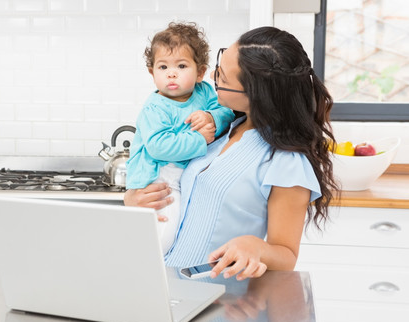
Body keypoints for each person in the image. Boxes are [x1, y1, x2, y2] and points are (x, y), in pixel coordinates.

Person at [124, 26, 337, 280]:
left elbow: (287, 256)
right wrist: (134, 200)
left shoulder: (285, 161)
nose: (211, 76)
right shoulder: (220, 130)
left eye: (222, 78)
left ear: (256, 95)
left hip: (215, 297)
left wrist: (256, 247)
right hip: (167, 283)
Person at [126, 22, 235, 255]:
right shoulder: (154, 108)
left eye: (182, 65)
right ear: (152, 72)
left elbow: (227, 112)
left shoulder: (204, 92)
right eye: (163, 67)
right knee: (163, 234)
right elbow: (158, 147)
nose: (171, 73)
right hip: (159, 178)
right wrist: (199, 140)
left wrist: (211, 117)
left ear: (200, 72)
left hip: (182, 174)